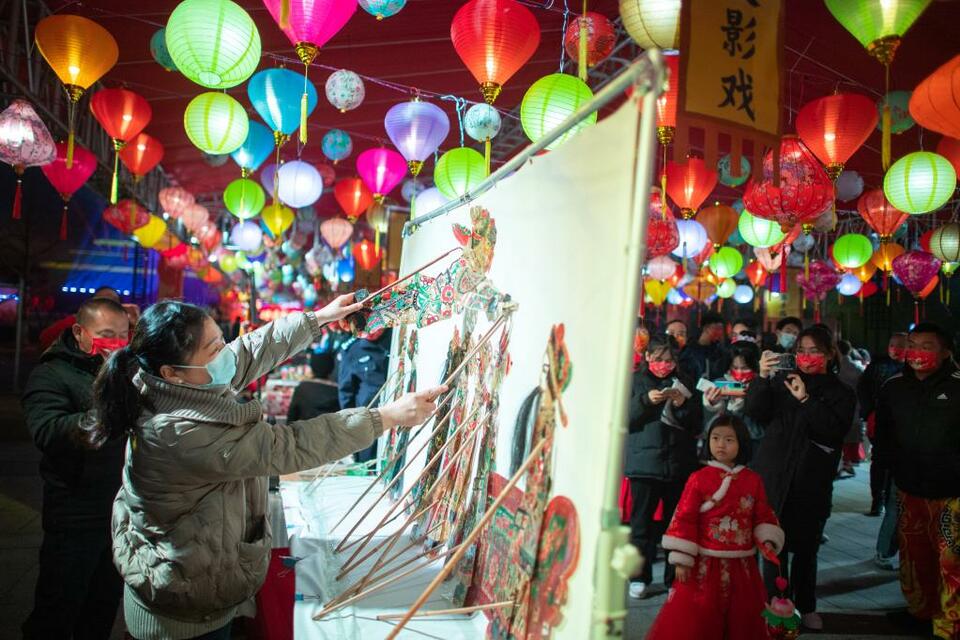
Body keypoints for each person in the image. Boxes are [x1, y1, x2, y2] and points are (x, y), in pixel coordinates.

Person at [90, 296, 444, 640]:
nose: (225, 354)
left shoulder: (178, 385)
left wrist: (318, 318)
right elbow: (287, 446)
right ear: (173, 372)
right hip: (183, 606)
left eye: (221, 341)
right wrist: (384, 417)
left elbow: (249, 351)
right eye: (213, 350)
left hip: (187, 574)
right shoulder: (178, 433)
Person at [21, 297, 131, 640]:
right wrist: (104, 412)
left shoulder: (125, 369)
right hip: (73, 514)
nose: (115, 344)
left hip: (118, 514)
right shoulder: (51, 373)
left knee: (100, 610)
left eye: (123, 336)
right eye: (107, 334)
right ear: (80, 332)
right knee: (57, 610)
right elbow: (47, 430)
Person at [745, 326, 856, 631]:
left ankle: (806, 606)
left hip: (811, 476)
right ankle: (776, 607)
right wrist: (762, 377)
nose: (806, 357)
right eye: (801, 351)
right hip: (775, 473)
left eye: (814, 351)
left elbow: (834, 429)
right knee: (772, 546)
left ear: (830, 354)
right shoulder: (781, 382)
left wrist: (807, 400)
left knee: (806, 547)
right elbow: (755, 411)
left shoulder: (841, 391)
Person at [646, 416, 784, 640]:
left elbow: (762, 513)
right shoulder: (698, 478)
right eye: (716, 438)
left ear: (742, 444)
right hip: (705, 563)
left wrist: (767, 538)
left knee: (743, 615)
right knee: (701, 616)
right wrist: (681, 559)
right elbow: (684, 517)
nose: (721, 444)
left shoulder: (753, 480)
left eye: (729, 439)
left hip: (743, 564)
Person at [875, 323, 960, 640]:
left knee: (951, 560)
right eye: (913, 344)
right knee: (914, 556)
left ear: (946, 351)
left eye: (927, 345)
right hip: (908, 487)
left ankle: (950, 622)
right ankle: (920, 611)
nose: (917, 352)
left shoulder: (957, 386)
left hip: (952, 493)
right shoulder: (893, 386)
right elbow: (882, 437)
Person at [626, 334, 703, 599]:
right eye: (658, 359)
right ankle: (638, 577)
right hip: (643, 464)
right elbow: (625, 418)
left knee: (675, 526)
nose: (663, 364)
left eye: (669, 360)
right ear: (647, 357)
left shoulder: (685, 383)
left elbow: (697, 425)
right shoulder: (635, 382)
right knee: (641, 526)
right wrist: (647, 400)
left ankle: (673, 581)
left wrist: (682, 405)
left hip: (678, 464)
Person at [857, 333, 906, 520]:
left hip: (904, 425)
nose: (895, 348)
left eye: (900, 345)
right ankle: (877, 500)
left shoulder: (913, 367)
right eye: (892, 344)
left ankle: (893, 502)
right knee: (879, 464)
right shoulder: (877, 366)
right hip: (879, 421)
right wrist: (870, 411)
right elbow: (863, 389)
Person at [703, 341, 764, 463]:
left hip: (753, 451)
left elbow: (760, 430)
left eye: (745, 368)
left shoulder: (762, 386)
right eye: (735, 368)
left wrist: (746, 401)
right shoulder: (719, 384)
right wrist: (712, 405)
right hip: (723, 454)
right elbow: (707, 427)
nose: (740, 372)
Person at [338, 327, 392, 463]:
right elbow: (346, 391)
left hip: (398, 409)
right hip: (371, 416)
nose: (371, 331)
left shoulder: (396, 336)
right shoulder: (352, 350)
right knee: (368, 462)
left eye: (375, 326)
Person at [39, 286, 122, 352]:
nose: (107, 304)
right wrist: (79, 318)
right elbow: (45, 338)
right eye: (101, 300)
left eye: (113, 301)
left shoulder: (126, 327)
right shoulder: (78, 323)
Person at [837, 340, 865, 478]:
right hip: (855, 409)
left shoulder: (836, 368)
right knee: (850, 438)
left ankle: (843, 463)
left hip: (839, 409)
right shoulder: (857, 368)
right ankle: (847, 463)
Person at [286, 350, 340, 423]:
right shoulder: (337, 391)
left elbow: (292, 416)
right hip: (329, 433)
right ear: (331, 368)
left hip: (305, 432)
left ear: (312, 368)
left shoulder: (303, 388)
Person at [679, 311, 728, 381]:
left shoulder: (719, 352)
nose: (720, 332)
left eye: (721, 329)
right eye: (717, 328)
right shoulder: (689, 351)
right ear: (706, 328)